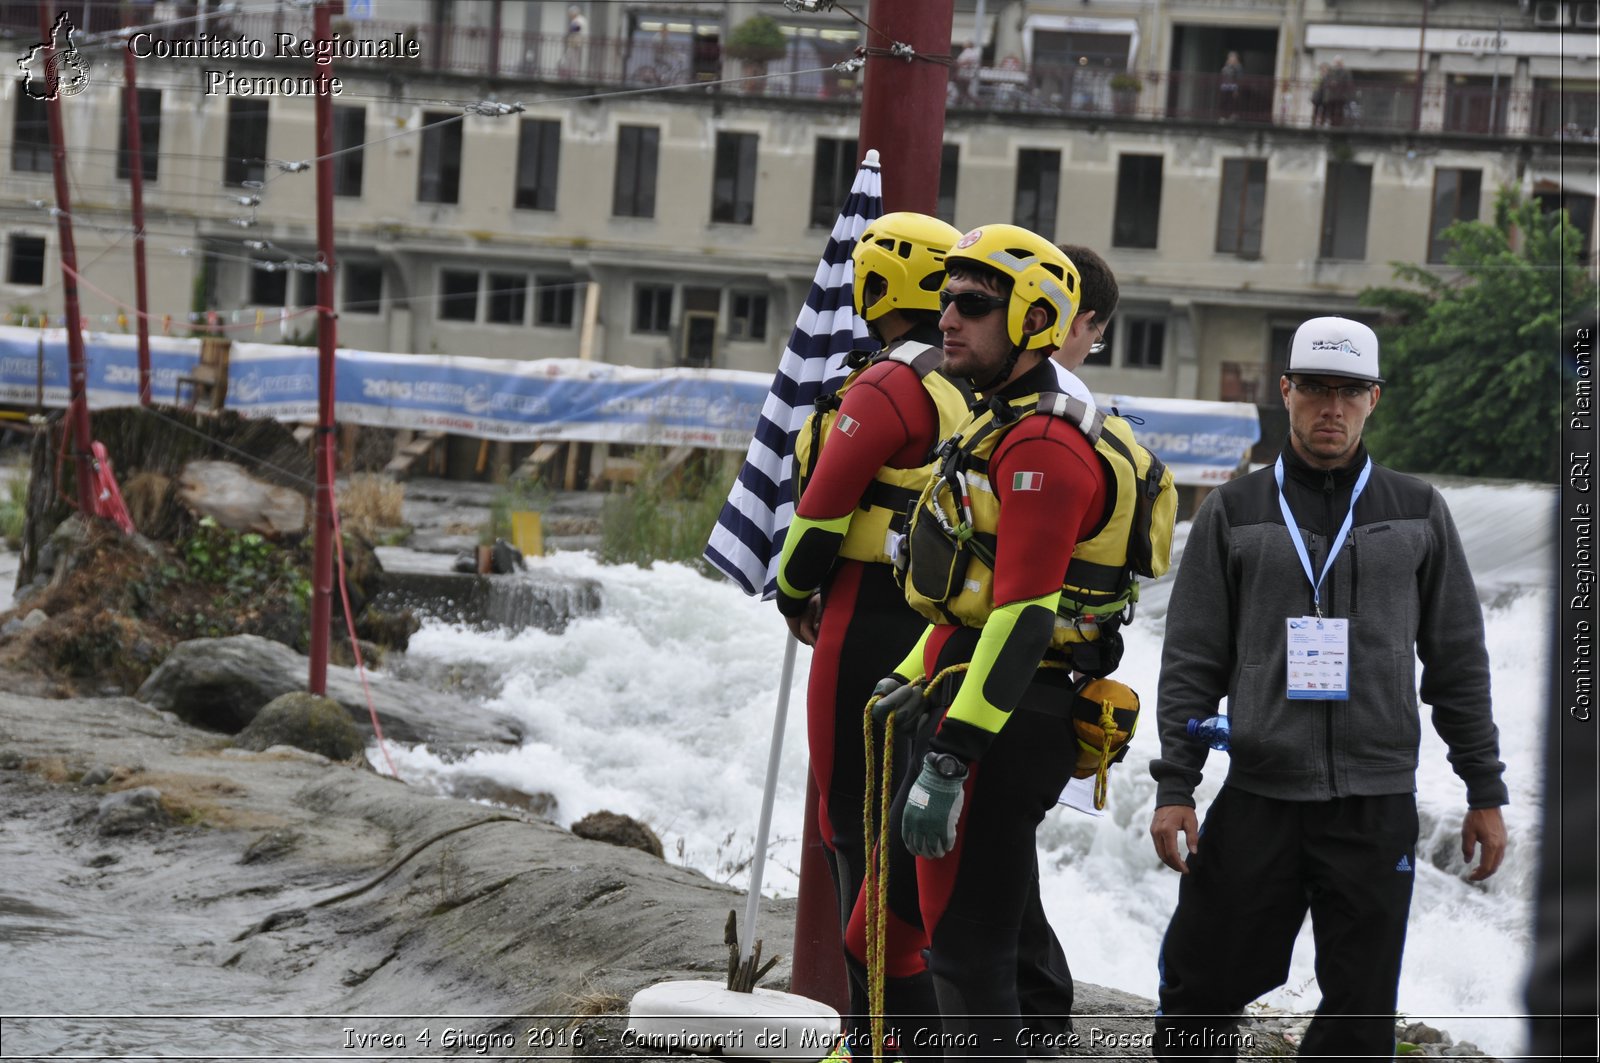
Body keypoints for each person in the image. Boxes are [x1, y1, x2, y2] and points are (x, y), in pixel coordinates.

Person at [1147, 316, 1509, 1060]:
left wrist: (1485, 790)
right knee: (1197, 982)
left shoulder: (1418, 509)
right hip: (1261, 792)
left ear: (1374, 398)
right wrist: (1175, 786)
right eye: (1315, 388)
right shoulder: (1235, 510)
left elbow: (1458, 662)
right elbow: (1191, 658)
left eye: (1349, 391)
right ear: (1286, 391)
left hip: (1374, 804)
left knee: (1359, 1010)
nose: (1331, 408)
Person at [869, 224, 1148, 1060]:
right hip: (963, 694)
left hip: (1002, 720)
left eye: (973, 305)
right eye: (946, 298)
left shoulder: (1044, 444)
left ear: (1032, 320)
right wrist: (912, 668)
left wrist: (949, 760)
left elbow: (1024, 616)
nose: (947, 316)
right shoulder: (1005, 418)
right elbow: (972, 601)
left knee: (968, 959)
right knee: (879, 927)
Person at [775, 212, 971, 1060]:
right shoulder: (964, 381)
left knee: (849, 823)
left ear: (883, 280)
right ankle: (891, 1035)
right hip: (934, 621)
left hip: (865, 614)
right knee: (893, 837)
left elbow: (821, 509)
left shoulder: (889, 382)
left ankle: (875, 1039)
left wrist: (790, 589)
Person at [1050, 244, 1118, 403]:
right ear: (1082, 322)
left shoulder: (987, 368)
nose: (1082, 361)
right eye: (1095, 341)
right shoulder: (1071, 396)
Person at [1218, 51, 1242, 120]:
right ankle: (1223, 116)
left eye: (1233, 58)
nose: (1232, 60)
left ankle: (1231, 115)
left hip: (1233, 86)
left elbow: (1238, 78)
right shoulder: (1226, 67)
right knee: (1224, 101)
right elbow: (1223, 75)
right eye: (1231, 58)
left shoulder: (1238, 67)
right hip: (1225, 86)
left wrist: (1236, 89)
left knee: (1232, 101)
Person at [1310, 62, 1331, 127]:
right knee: (1316, 110)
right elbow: (1313, 84)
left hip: (1325, 95)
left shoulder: (1329, 77)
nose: (1324, 70)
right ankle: (1313, 124)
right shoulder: (1317, 75)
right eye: (1323, 68)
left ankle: (1321, 124)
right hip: (1317, 95)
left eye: (1325, 69)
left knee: (1324, 111)